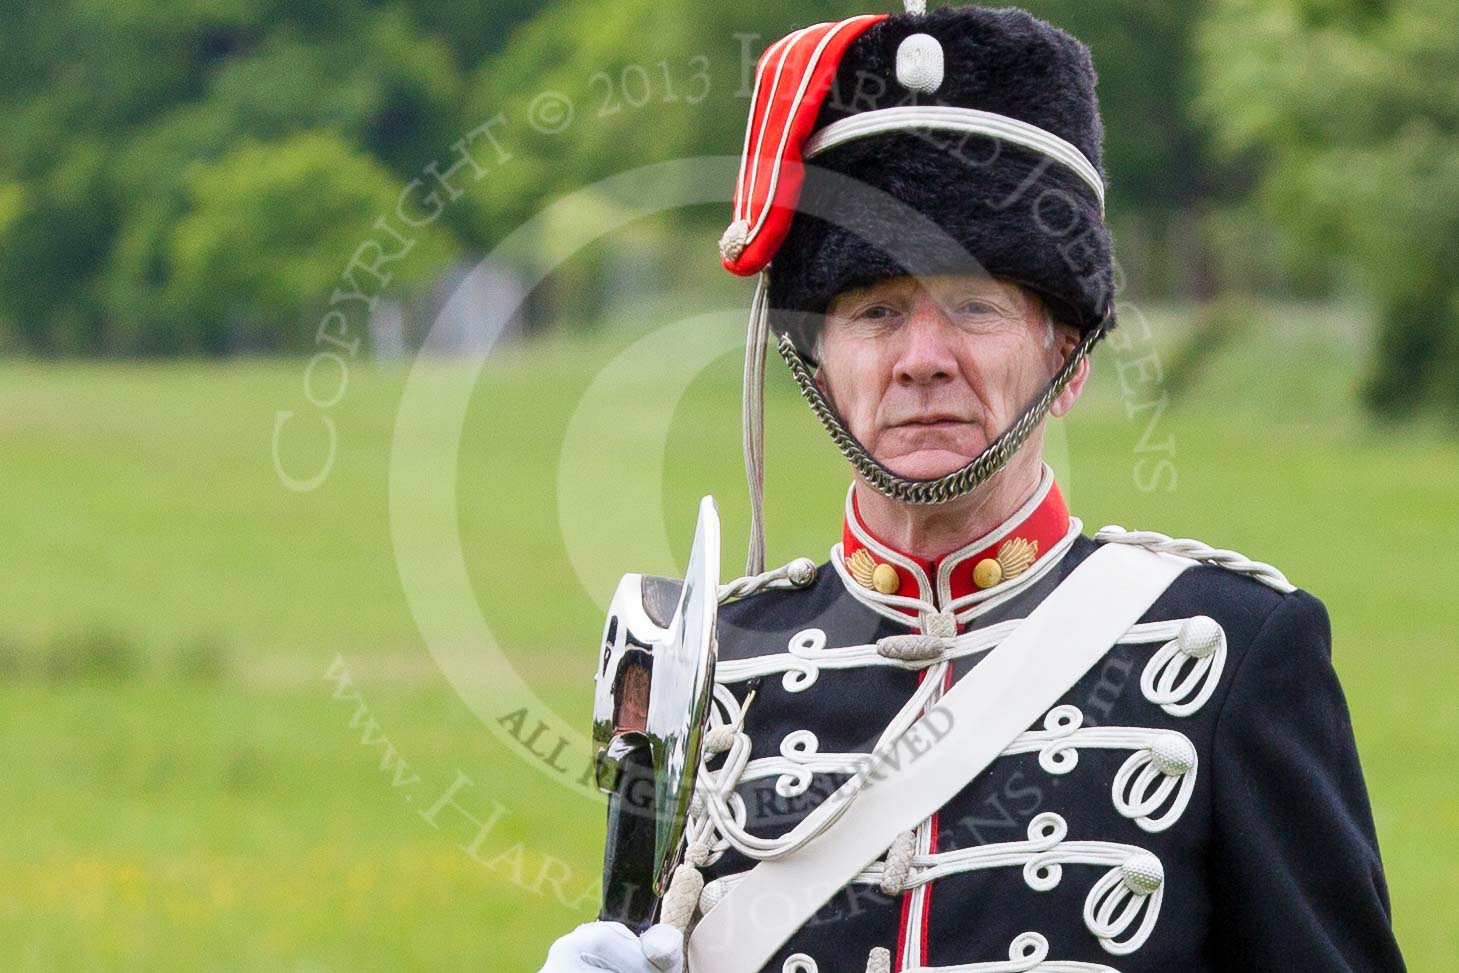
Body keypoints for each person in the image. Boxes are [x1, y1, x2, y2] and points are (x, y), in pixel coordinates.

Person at [542, 3, 1404, 971]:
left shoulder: (1229, 649)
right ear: (817, 366)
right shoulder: (717, 673)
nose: (923, 359)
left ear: (1067, 358)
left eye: (974, 305)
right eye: (876, 312)